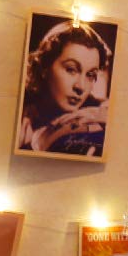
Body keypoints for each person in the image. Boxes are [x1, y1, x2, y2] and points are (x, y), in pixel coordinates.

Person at [18, 21, 112, 157]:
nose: (81, 87)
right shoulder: (18, 113)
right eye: (71, 69)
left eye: (90, 75)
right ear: (45, 66)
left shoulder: (96, 116)